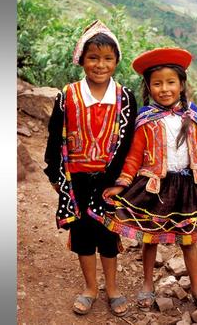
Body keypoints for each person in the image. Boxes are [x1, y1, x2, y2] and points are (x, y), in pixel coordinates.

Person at [101, 47, 197, 311]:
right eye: (157, 83)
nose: (164, 89)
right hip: (154, 187)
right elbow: (134, 157)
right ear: (148, 87)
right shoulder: (146, 120)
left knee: (189, 240)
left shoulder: (192, 115)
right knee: (150, 238)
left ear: (181, 84)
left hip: (187, 187)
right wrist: (122, 183)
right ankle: (147, 285)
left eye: (171, 82)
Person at [44, 20, 137, 316]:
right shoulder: (67, 96)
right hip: (76, 180)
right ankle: (89, 288)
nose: (100, 65)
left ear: (116, 61)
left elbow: (128, 142)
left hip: (110, 182)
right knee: (83, 233)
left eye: (108, 58)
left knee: (108, 235)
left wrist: (119, 181)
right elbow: (54, 137)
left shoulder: (125, 98)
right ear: (81, 59)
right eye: (93, 57)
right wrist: (54, 176)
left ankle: (112, 288)